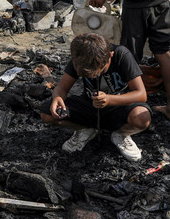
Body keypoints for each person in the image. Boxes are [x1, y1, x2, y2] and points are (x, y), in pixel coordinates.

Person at [40, 32, 151, 161]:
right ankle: (86, 130)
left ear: (110, 55)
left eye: (99, 71)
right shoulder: (82, 56)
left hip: (118, 107)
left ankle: (121, 134)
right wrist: (58, 97)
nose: (95, 77)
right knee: (47, 113)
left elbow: (141, 94)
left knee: (142, 117)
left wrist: (109, 99)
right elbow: (62, 88)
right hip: (90, 106)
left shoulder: (121, 55)